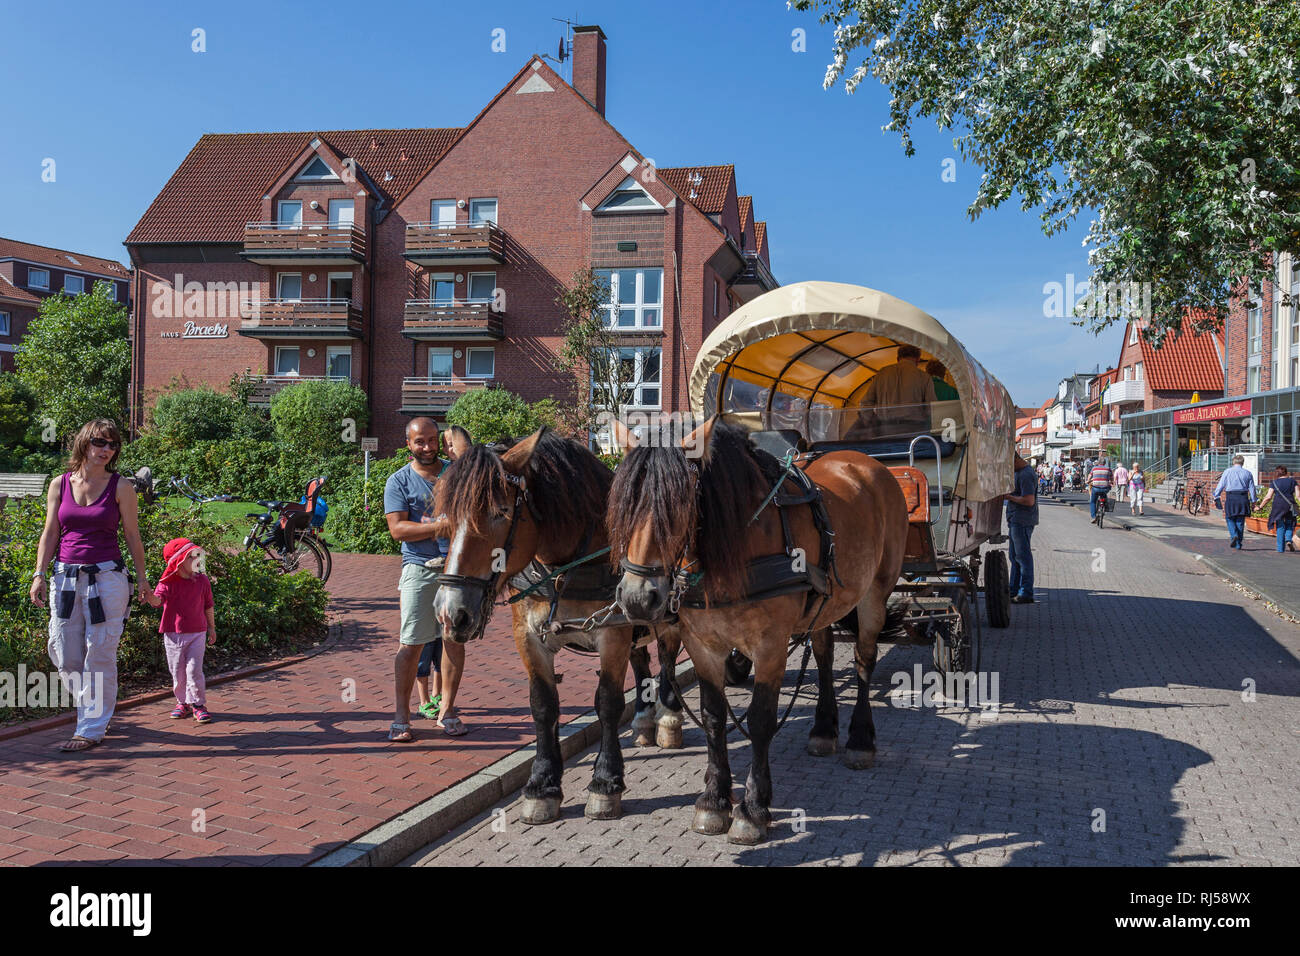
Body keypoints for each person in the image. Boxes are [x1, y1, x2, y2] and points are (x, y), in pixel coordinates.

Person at [29, 419, 153, 752]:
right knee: (65, 654)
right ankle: (93, 710)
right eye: (101, 442)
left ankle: (91, 727)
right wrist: (39, 573)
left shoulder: (121, 487)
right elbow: (51, 532)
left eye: (114, 445)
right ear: (85, 442)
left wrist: (142, 580)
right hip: (65, 578)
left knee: (99, 653)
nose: (107, 450)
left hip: (107, 579)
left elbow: (131, 535)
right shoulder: (60, 484)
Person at [384, 418, 466, 741]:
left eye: (433, 440)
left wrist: (458, 456)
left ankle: (447, 709)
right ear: (409, 444)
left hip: (454, 568)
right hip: (418, 567)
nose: (428, 447)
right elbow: (397, 529)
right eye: (421, 442)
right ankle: (401, 715)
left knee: (454, 639)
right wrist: (437, 528)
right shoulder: (399, 482)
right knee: (412, 643)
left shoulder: (455, 474)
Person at [144, 537, 216, 723]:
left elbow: (208, 605)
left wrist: (212, 628)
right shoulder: (167, 582)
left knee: (194, 670)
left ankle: (198, 705)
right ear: (178, 561)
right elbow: (158, 601)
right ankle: (182, 702)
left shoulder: (202, 581)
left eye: (197, 555)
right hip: (173, 635)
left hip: (198, 633)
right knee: (177, 670)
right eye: (191, 557)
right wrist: (151, 597)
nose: (197, 560)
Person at [845, 344, 937, 440]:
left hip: (886, 430)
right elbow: (932, 407)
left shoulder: (882, 373)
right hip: (914, 431)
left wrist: (872, 423)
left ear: (898, 358)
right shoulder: (924, 377)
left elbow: (866, 403)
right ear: (918, 359)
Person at [1000, 452, 1038, 604]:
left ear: (1015, 460)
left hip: (1022, 520)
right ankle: (1014, 589)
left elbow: (1029, 501)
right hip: (1017, 519)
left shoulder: (1026, 475)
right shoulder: (1021, 472)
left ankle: (1025, 592)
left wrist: (1009, 497)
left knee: (1022, 557)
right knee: (1015, 556)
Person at [1213, 454, 1257, 549]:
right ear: (1242, 463)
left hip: (1231, 497)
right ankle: (1238, 544)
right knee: (1240, 521)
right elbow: (1252, 489)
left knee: (1229, 518)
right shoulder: (1248, 473)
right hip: (1243, 498)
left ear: (1233, 462)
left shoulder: (1227, 472)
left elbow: (1221, 485)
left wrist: (1216, 496)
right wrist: (1254, 501)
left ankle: (1234, 535)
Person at [1258, 465, 1298, 553]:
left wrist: (1260, 506)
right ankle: (1288, 539)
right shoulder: (1292, 481)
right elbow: (1298, 496)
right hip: (1290, 505)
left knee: (1280, 525)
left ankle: (1280, 549)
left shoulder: (1274, 482)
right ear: (1286, 472)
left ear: (1277, 473)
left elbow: (1268, 497)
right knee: (1290, 523)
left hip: (1278, 506)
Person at [1088, 457, 1113, 524]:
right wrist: (1111, 482)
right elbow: (1111, 478)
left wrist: (1088, 481)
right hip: (1105, 488)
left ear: (1098, 462)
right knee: (1104, 495)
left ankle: (1093, 517)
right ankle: (1105, 506)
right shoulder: (1108, 469)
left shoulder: (1094, 468)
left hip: (1095, 488)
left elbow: (1089, 476)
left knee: (1093, 501)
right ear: (1104, 463)